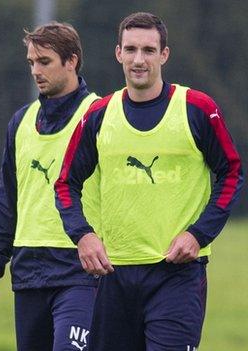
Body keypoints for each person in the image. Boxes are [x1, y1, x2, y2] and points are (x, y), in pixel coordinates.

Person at [55, 12, 243, 350]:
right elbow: (65, 183)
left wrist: (198, 234)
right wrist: (82, 235)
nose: (138, 60)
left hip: (177, 274)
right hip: (114, 275)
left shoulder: (197, 109)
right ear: (118, 53)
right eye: (131, 50)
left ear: (164, 55)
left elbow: (232, 173)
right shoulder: (98, 115)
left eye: (148, 50)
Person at [0, 22, 100, 351]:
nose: (35, 71)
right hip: (29, 270)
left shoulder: (100, 115)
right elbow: (8, 198)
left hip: (81, 270)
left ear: (71, 61)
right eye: (31, 62)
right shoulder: (21, 121)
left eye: (44, 61)